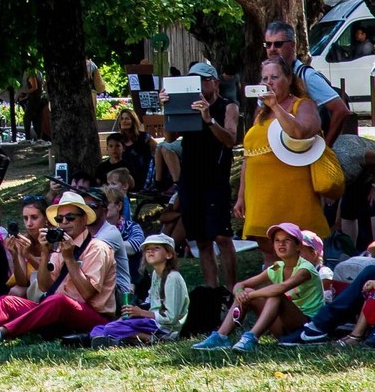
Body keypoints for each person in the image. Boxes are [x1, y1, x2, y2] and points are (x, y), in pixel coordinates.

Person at [0, 191, 116, 341]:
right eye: (59, 219)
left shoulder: (97, 248)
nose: (64, 222)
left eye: (70, 217)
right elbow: (45, 286)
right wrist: (45, 253)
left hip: (93, 317)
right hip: (56, 309)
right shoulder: (61, 246)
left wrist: (69, 259)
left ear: (84, 219)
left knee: (59, 301)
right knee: (6, 301)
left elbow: (87, 293)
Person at [162, 61, 239, 291]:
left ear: (214, 82)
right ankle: (212, 290)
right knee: (202, 239)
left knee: (222, 237)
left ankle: (232, 290)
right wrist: (167, 109)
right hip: (191, 178)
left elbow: (230, 140)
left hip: (215, 180)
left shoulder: (227, 106)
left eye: (202, 81)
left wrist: (209, 119)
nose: (198, 86)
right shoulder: (188, 105)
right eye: (193, 81)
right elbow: (169, 138)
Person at [237, 57, 328, 244]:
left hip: (291, 192)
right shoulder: (261, 113)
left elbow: (299, 133)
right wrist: (241, 196)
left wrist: (275, 106)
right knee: (267, 247)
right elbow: (249, 154)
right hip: (260, 194)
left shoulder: (303, 105)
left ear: (289, 79)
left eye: (274, 77)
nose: (268, 82)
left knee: (296, 246)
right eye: (265, 78)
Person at [195, 221, 324, 352]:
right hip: (284, 327)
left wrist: (250, 295)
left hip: (308, 326)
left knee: (275, 295)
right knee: (247, 290)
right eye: (277, 240)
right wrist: (239, 292)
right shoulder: (277, 267)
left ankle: (251, 337)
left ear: (298, 246)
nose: (281, 244)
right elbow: (241, 284)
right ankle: (221, 336)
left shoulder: (306, 268)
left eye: (287, 240)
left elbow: (281, 288)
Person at [86, 231, 189, 345]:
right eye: (147, 249)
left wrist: (141, 313)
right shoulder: (156, 274)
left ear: (169, 255)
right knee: (99, 329)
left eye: (156, 248)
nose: (150, 251)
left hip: (164, 327)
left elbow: (171, 318)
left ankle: (154, 339)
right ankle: (117, 339)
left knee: (111, 328)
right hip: (151, 321)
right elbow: (151, 302)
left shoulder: (173, 278)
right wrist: (133, 312)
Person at [262, 17, 352, 147]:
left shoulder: (307, 76)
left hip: (306, 148)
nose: (272, 49)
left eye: (278, 44)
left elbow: (341, 110)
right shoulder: (267, 76)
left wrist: (326, 147)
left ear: (292, 45)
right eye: (268, 44)